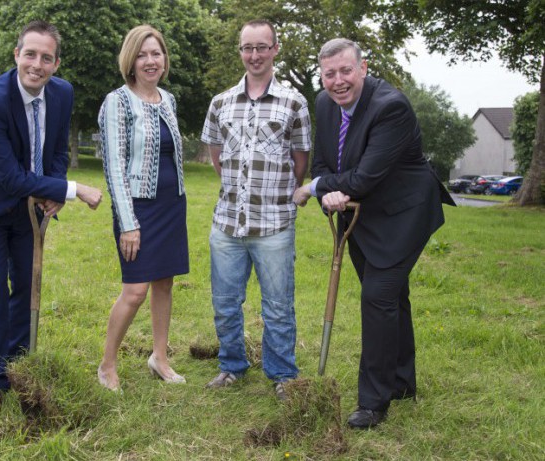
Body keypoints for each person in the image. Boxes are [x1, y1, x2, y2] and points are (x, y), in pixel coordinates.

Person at [293, 38, 456, 428]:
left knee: (378, 296)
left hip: (404, 213)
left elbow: (364, 177)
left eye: (346, 71)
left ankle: (373, 401)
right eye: (329, 73)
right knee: (393, 297)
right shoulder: (323, 103)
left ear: (363, 69)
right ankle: (402, 382)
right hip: (362, 216)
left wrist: (315, 188)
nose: (338, 81)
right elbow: (323, 161)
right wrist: (328, 186)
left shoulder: (391, 107)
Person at [0, 20, 103, 424]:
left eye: (46, 57)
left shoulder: (63, 93)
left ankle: (18, 368)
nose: (37, 64)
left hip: (28, 207)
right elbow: (10, 177)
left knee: (27, 286)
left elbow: (54, 150)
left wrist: (52, 190)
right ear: (16, 54)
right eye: (30, 54)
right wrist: (72, 189)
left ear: (56, 63)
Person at [200, 19, 311, 400]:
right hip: (227, 223)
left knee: (278, 306)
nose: (255, 55)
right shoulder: (221, 103)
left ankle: (282, 374)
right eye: (248, 48)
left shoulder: (294, 103)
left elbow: (300, 162)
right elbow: (217, 158)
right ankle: (231, 366)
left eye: (262, 47)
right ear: (240, 52)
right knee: (225, 303)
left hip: (275, 223)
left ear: (275, 49)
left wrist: (274, 193)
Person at [96, 25, 189, 392]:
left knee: (164, 283)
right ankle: (107, 364)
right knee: (135, 291)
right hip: (137, 209)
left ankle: (160, 358)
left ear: (164, 59)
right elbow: (114, 167)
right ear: (130, 61)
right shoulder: (117, 101)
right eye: (142, 54)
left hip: (171, 205)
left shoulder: (168, 99)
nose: (151, 61)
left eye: (156, 53)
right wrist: (128, 223)